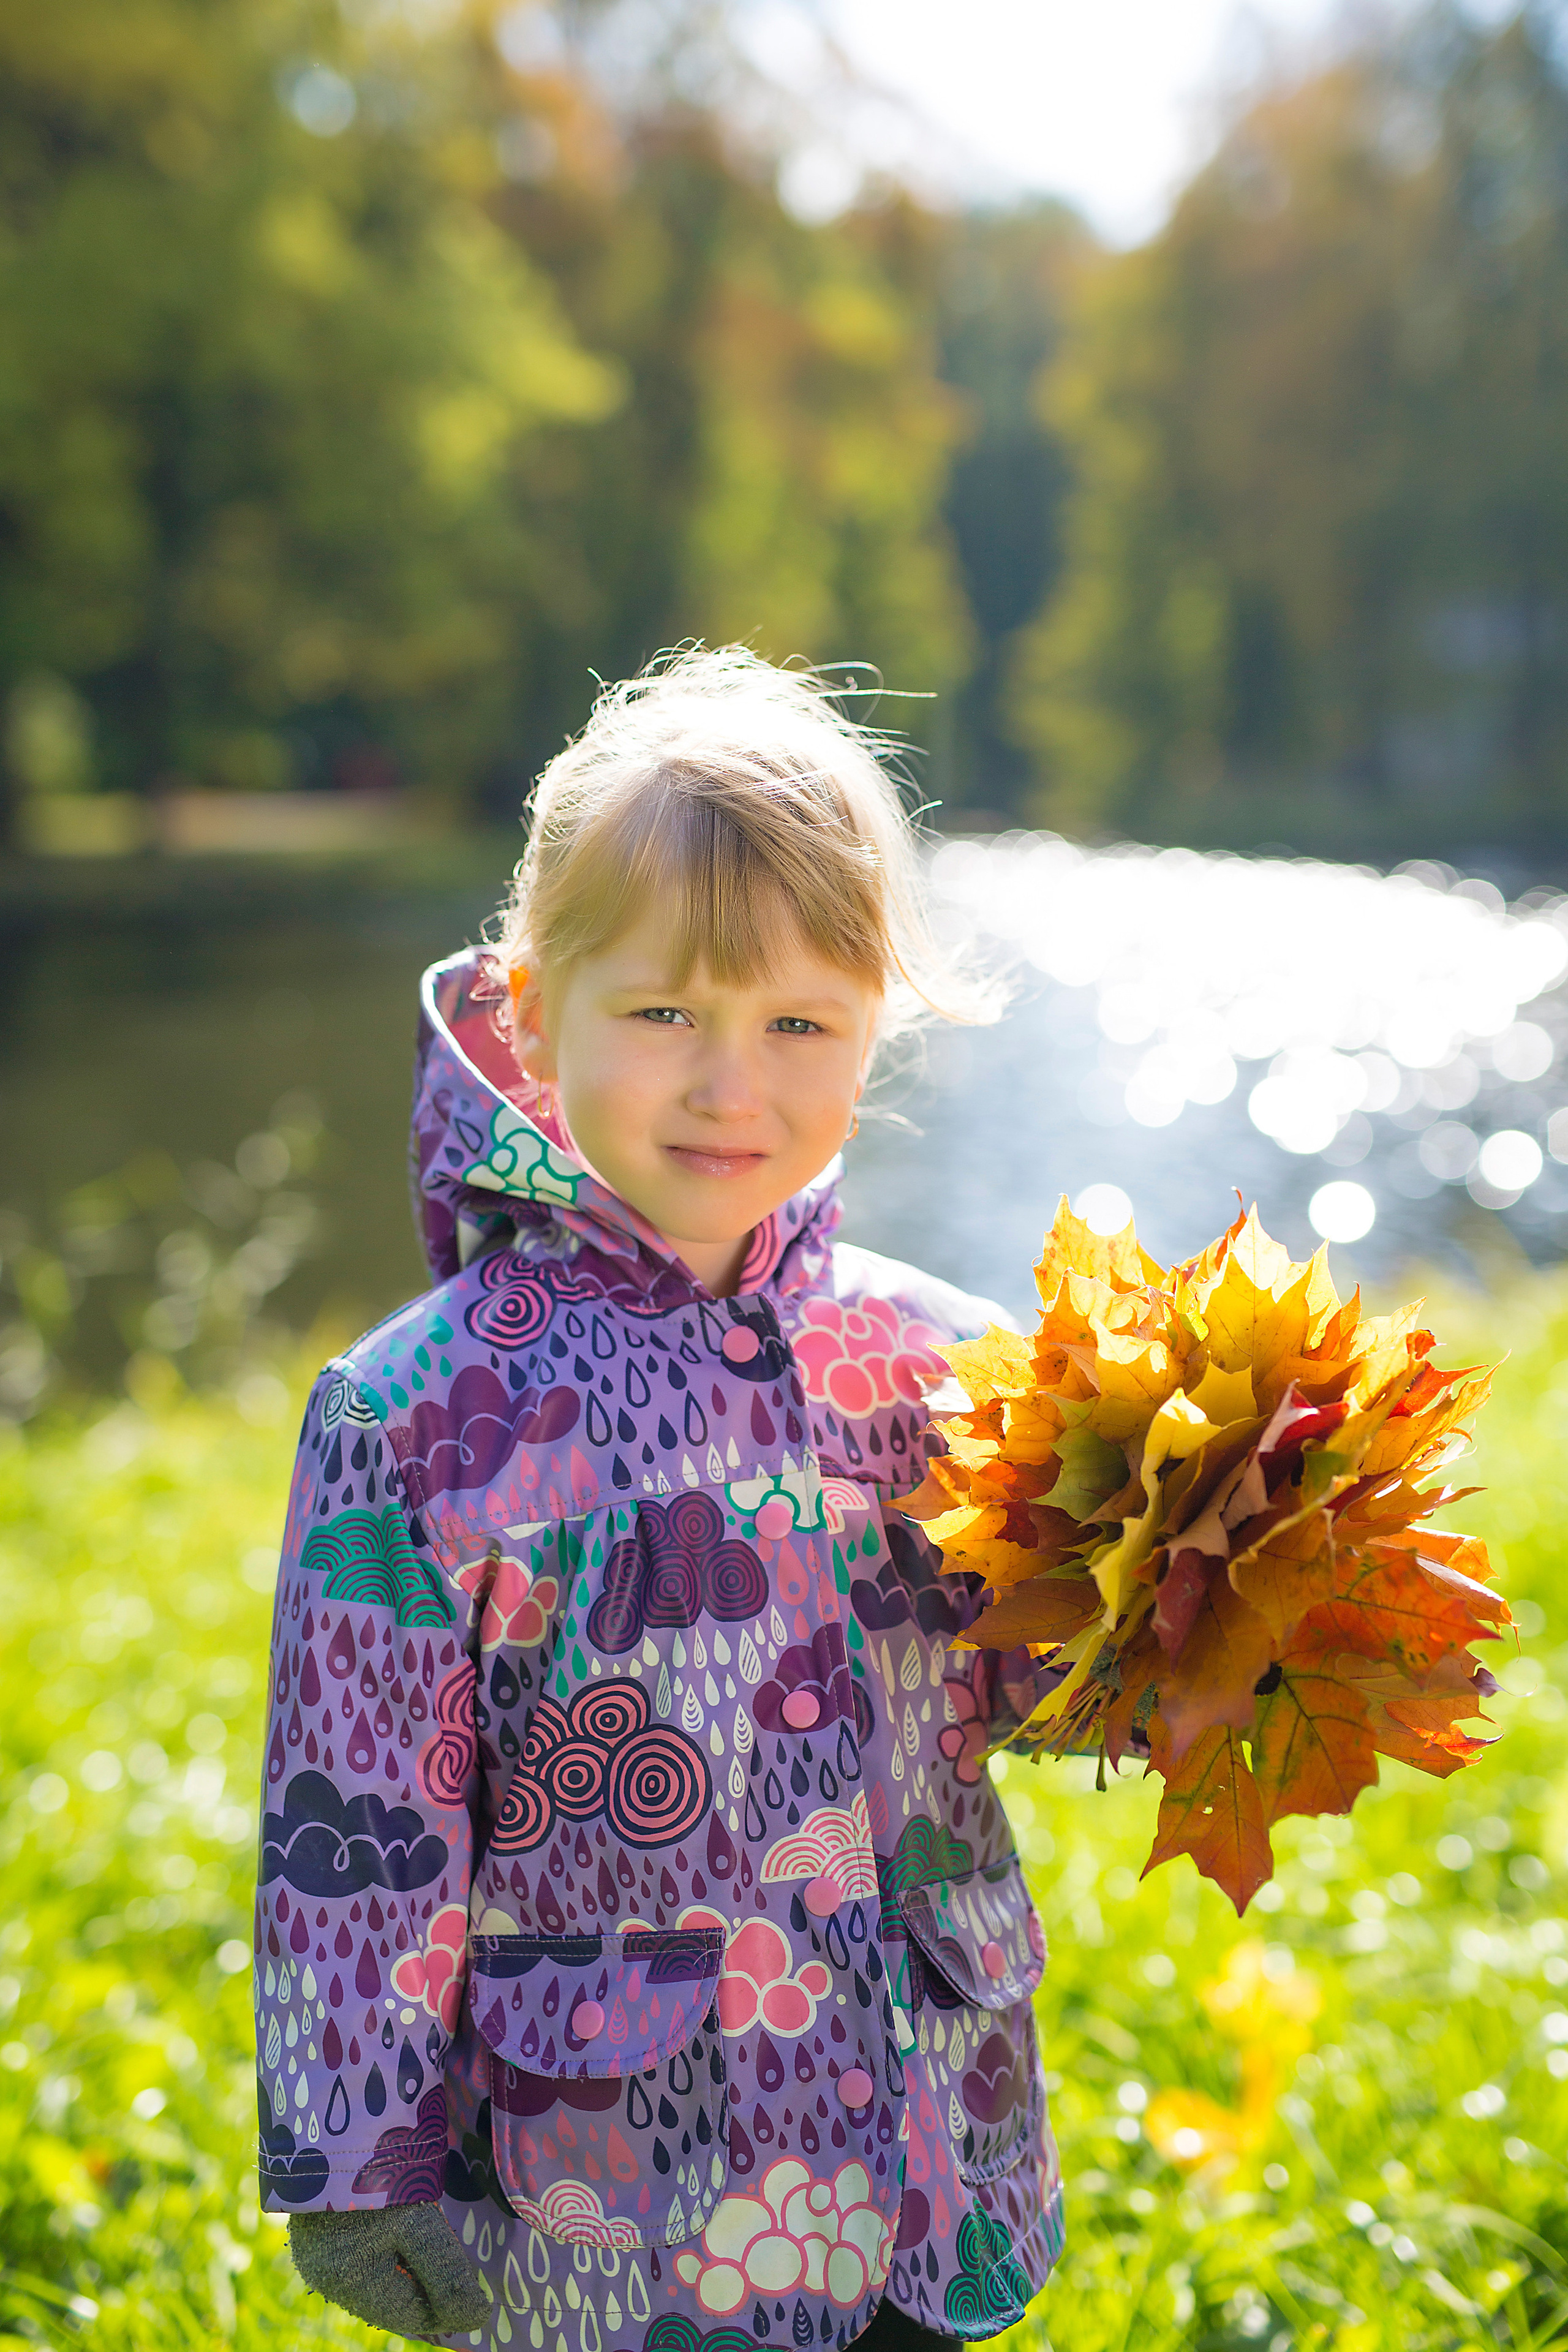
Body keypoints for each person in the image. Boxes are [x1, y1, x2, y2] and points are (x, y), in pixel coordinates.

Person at [254, 647, 1064, 2352]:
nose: (731, 1085)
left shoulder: (953, 1367)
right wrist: (353, 2154)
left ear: (876, 1024)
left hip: (914, 2132)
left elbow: (1026, 1678)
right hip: (599, 2184)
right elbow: (361, 1833)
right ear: (536, 1002)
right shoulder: (415, 1416)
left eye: (798, 1024)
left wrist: (1208, 1622)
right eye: (665, 1015)